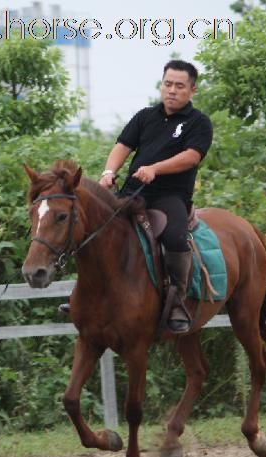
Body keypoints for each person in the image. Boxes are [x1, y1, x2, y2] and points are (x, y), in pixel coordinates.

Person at [61, 59, 213, 333]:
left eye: (180, 86)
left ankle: (178, 299)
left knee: (176, 238)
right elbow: (123, 145)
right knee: (95, 229)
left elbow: (191, 157)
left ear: (192, 90)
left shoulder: (198, 122)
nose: (172, 91)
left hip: (170, 197)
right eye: (168, 84)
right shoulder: (145, 116)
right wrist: (109, 172)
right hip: (132, 193)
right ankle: (85, 296)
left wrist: (155, 168)